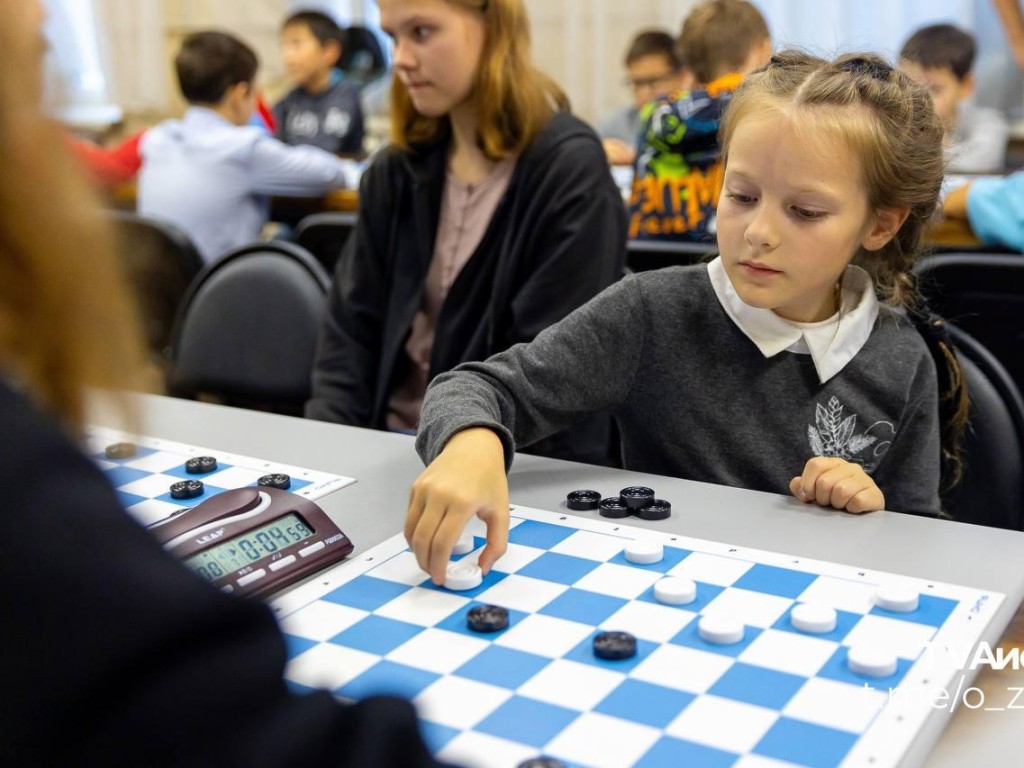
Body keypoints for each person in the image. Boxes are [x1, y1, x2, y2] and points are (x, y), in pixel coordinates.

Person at [0, 1, 449, 764]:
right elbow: (346, 173)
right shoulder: (30, 504)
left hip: (169, 343)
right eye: (33, 72)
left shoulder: (159, 139)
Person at [405, 50, 969, 584]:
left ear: (880, 225)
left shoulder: (901, 357)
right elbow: (472, 387)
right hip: (661, 598)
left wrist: (874, 507)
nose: (759, 232)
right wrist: (472, 442)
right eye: (741, 195)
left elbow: (920, 535)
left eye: (805, 211)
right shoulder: (653, 312)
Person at [305, 0, 627, 466]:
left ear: (492, 26)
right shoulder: (395, 171)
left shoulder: (567, 172)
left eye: (421, 31)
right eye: (394, 36)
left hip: (504, 464)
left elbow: (553, 379)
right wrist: (329, 464)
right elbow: (348, 339)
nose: (401, 59)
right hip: (386, 453)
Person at [138, 31, 357, 262]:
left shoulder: (157, 141)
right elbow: (327, 175)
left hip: (163, 292)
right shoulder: (241, 148)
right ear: (240, 93)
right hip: (221, 290)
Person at [628, 0, 771, 241]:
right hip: (722, 261)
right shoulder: (761, 110)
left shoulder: (653, 112)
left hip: (648, 264)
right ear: (762, 50)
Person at [899, 23, 1009, 173]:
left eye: (934, 89)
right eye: (910, 87)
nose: (920, 100)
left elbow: (982, 160)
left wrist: (935, 145)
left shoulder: (989, 123)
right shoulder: (894, 121)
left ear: (966, 85)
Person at [274, 9, 366, 155]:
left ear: (330, 51)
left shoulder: (345, 93)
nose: (287, 56)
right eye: (284, 46)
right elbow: (273, 142)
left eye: (296, 44)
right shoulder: (291, 97)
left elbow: (326, 148)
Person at [597, 29, 691, 166]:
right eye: (637, 83)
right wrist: (598, 152)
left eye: (654, 81)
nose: (644, 93)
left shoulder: (698, 124)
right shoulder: (615, 127)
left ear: (682, 77)